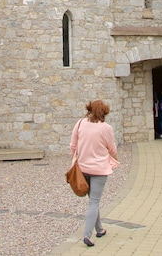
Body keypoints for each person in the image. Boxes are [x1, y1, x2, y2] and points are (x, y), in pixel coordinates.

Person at [70, 99, 121, 248]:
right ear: (104, 112)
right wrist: (116, 160)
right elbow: (112, 148)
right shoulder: (106, 128)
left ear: (89, 110)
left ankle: (100, 229)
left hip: (83, 168)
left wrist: (75, 159)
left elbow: (73, 145)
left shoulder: (80, 123)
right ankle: (87, 235)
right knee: (94, 201)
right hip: (99, 169)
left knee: (93, 200)